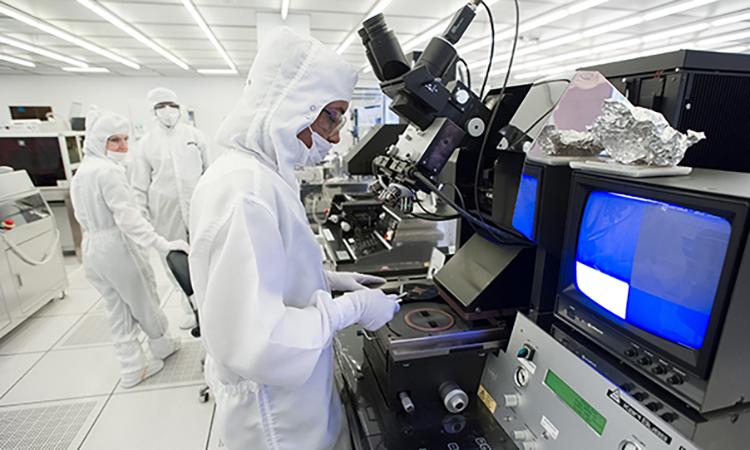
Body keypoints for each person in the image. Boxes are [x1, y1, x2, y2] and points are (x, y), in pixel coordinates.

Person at [189, 28, 399, 449]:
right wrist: (352, 308)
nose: (337, 134)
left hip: (292, 401)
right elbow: (262, 342)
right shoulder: (245, 191)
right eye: (331, 115)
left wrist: (331, 281)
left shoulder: (258, 174)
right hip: (276, 421)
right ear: (293, 106)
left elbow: (264, 274)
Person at [70, 107, 186, 388]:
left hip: (92, 247)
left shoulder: (82, 172)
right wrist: (162, 244)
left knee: (116, 307)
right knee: (144, 298)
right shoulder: (108, 172)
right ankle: (161, 346)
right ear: (99, 141)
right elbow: (128, 219)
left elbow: (81, 215)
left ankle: (132, 367)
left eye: (125, 139)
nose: (123, 146)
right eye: (114, 140)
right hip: (115, 246)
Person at [131, 87, 210, 329]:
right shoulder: (145, 145)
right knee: (174, 260)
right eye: (161, 107)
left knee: (205, 254)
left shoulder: (195, 136)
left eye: (172, 106)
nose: (168, 112)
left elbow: (209, 172)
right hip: (165, 213)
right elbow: (139, 187)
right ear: (153, 111)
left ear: (179, 107)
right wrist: (142, 219)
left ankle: (207, 301)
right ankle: (188, 304)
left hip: (198, 208)